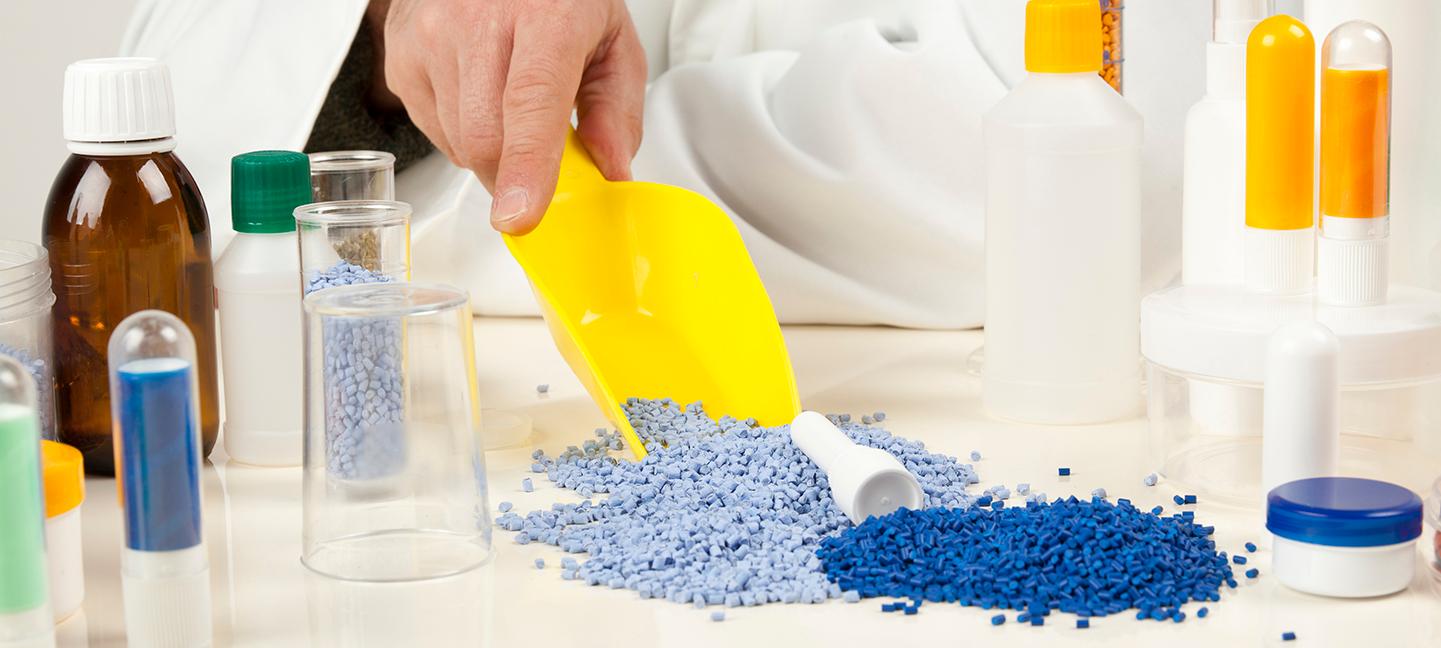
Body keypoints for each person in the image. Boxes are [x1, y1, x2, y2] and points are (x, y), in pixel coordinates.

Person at [122, 0, 1208, 328]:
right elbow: (186, 118)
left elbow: (1066, 178)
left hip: (954, 405)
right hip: (476, 444)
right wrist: (392, 22)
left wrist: (563, 183)